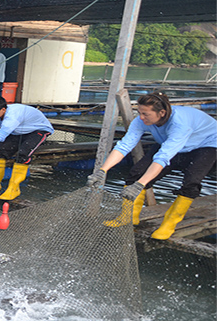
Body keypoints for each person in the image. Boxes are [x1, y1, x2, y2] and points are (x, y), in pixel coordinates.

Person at [87, 91, 217, 240]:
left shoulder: (180, 124)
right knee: (137, 172)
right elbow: (124, 146)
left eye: (145, 114)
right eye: (139, 112)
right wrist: (102, 170)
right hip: (171, 143)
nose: (141, 117)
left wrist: (140, 185)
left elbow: (163, 158)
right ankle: (128, 217)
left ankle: (170, 223)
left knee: (192, 181)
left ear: (161, 113)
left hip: (206, 144)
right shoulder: (140, 121)